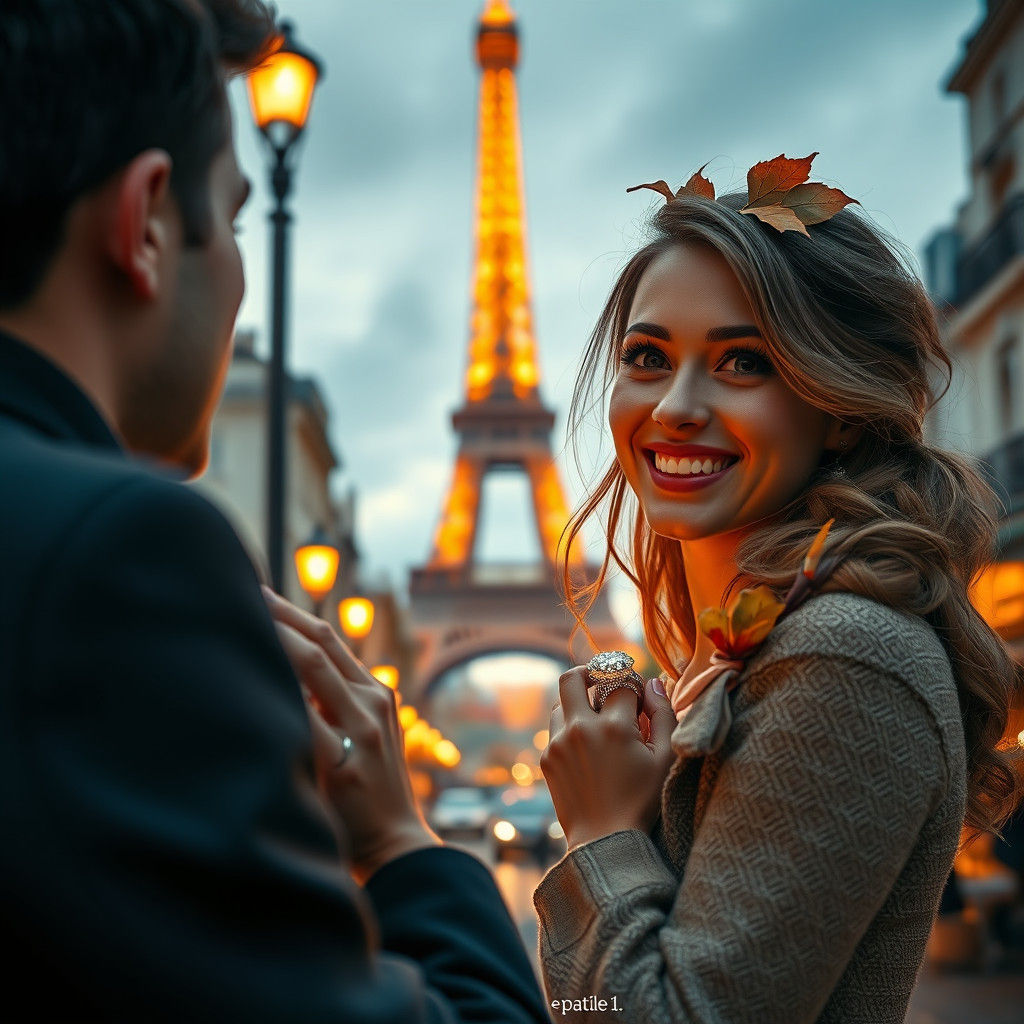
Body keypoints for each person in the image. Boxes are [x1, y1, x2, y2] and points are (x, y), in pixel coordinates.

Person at [0, 2, 549, 1021]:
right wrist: (397, 842)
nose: (242, 274)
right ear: (148, 223)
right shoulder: (119, 556)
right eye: (238, 216)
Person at [533, 157, 1024, 1023]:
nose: (676, 405)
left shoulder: (844, 656)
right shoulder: (769, 648)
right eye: (647, 355)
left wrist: (602, 834)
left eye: (743, 362)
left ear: (839, 405)